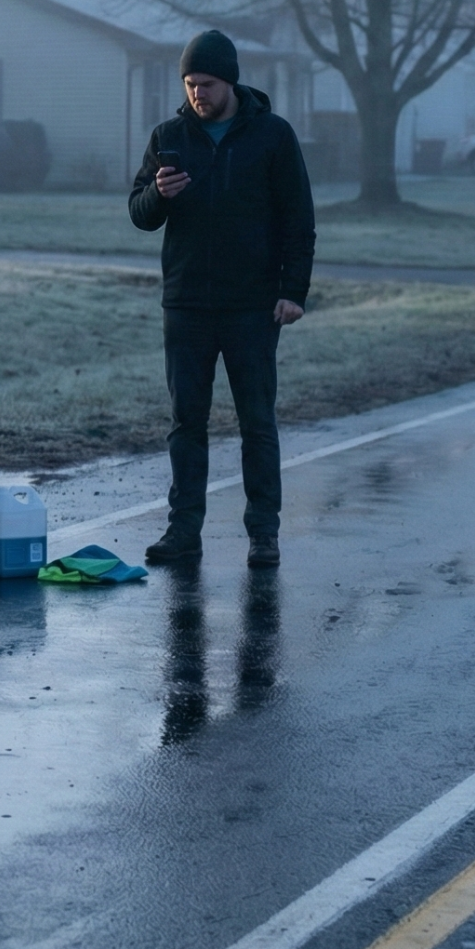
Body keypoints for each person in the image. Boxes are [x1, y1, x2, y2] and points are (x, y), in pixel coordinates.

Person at [127, 30, 315, 568]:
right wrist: (158, 195)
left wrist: (292, 292)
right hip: (185, 303)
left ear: (229, 81)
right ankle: (183, 530)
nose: (196, 94)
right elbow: (139, 213)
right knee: (187, 421)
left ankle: (263, 533)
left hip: (253, 306)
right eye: (189, 84)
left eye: (205, 84)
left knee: (257, 421)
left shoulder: (272, 136)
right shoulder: (170, 135)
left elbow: (298, 221)